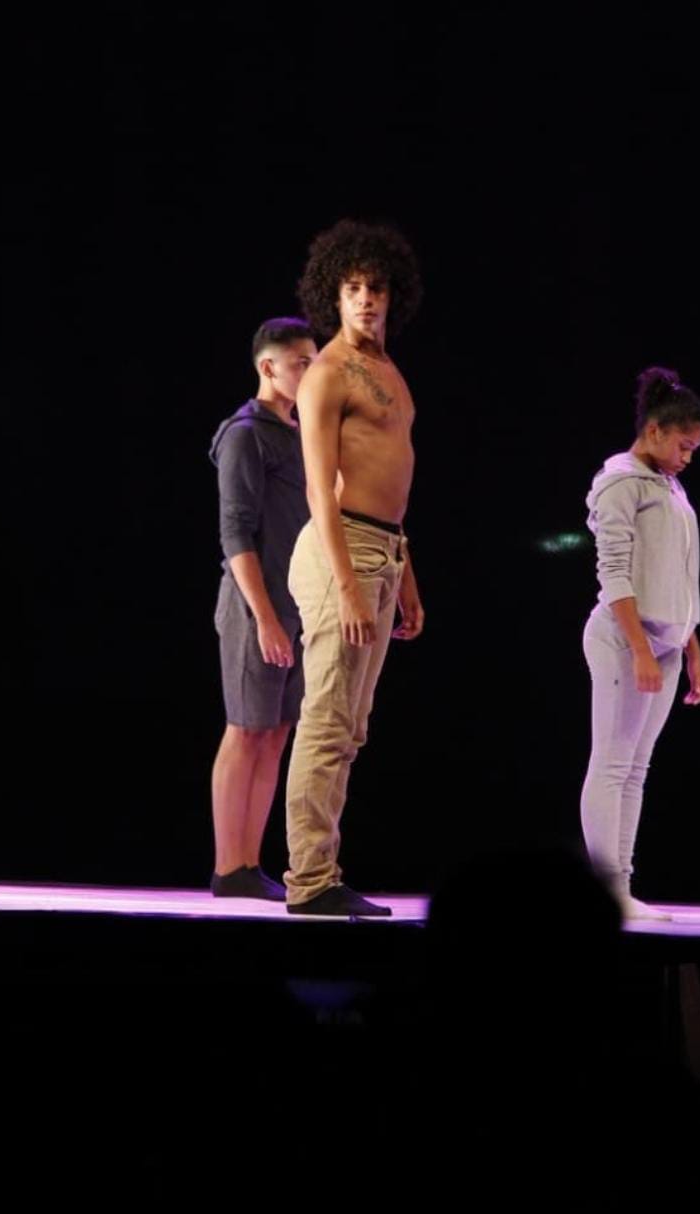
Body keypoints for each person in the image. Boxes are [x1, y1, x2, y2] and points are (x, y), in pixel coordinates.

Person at [283, 219, 425, 917]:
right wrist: (347, 587)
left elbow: (392, 482)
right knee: (327, 721)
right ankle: (310, 880)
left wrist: (406, 577)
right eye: (352, 289)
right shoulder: (328, 373)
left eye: (376, 288)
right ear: (332, 297)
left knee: (351, 728)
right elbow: (320, 490)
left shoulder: (391, 371)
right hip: (342, 550)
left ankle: (322, 870)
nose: (366, 299)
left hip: (383, 551)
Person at [580, 366, 700, 921]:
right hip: (621, 640)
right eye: (683, 446)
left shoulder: (669, 485)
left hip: (665, 644)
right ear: (654, 430)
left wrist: (691, 648)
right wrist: (638, 648)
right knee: (612, 763)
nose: (687, 458)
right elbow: (615, 574)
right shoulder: (620, 482)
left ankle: (623, 887)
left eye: (693, 450)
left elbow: (676, 575)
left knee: (637, 767)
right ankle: (605, 891)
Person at [208, 318, 317, 899]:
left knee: (276, 731)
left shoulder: (300, 432)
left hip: (299, 602)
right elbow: (235, 532)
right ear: (268, 367)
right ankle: (229, 866)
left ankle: (250, 864)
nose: (310, 372)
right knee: (246, 728)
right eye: (301, 363)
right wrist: (266, 618)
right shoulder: (246, 433)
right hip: (257, 606)